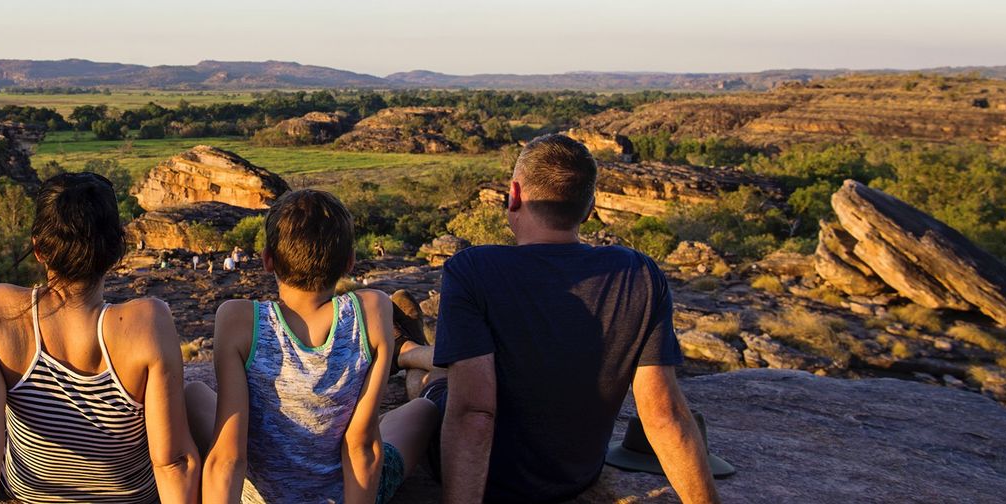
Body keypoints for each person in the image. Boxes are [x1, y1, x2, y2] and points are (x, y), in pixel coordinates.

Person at [435, 134, 719, 503]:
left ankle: (411, 354)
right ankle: (415, 352)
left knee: (429, 391)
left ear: (514, 195)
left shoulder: (473, 270)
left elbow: (474, 413)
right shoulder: (638, 274)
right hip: (575, 478)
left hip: (493, 477)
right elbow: (663, 414)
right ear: (589, 208)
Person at [0, 172, 201, 503]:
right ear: (116, 251)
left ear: (39, 249)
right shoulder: (148, 323)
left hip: (32, 496)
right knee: (195, 396)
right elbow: (173, 462)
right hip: (131, 498)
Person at [187, 189, 440, 504]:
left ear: (268, 259)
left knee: (193, 393)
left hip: (263, 498)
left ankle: (406, 359)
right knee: (423, 410)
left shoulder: (239, 321)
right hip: (343, 490)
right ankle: (411, 357)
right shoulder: (373, 309)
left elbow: (228, 457)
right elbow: (361, 446)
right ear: (349, 262)